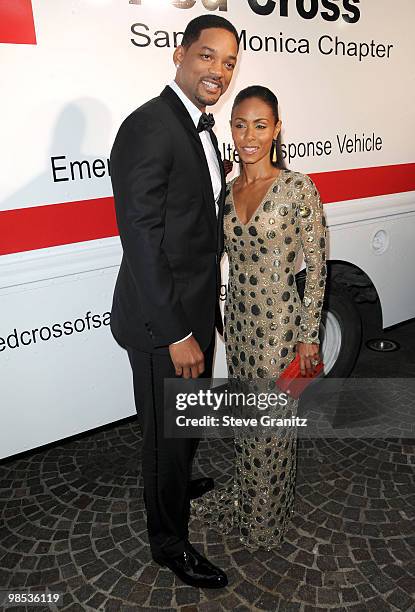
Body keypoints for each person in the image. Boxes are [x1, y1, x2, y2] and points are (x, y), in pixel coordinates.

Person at [109, 15, 239, 587]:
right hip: (163, 322)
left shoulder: (195, 127)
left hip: (191, 308)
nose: (219, 71)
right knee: (165, 433)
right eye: (208, 56)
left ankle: (177, 478)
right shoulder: (150, 126)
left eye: (230, 62)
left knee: (179, 424)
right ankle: (168, 542)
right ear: (180, 54)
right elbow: (140, 238)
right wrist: (177, 333)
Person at [191, 85, 327, 550]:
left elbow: (317, 267)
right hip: (240, 329)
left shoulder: (296, 187)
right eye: (240, 124)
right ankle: (251, 499)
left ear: (277, 129)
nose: (249, 135)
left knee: (271, 426)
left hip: (280, 331)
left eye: (260, 125)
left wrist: (310, 338)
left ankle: (266, 520)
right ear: (231, 129)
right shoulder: (228, 193)